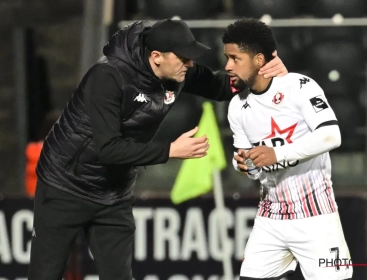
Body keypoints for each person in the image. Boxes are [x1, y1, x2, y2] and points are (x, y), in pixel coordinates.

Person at [28, 19, 287, 280]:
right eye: (183, 58)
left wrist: (258, 72)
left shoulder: (178, 72)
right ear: (156, 57)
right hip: (64, 185)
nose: (189, 64)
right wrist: (170, 150)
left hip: (112, 193)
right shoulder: (108, 77)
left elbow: (221, 87)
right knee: (45, 275)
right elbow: (108, 149)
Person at [225, 19, 352, 280]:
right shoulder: (237, 107)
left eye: (235, 58)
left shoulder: (299, 87)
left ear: (259, 60)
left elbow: (331, 135)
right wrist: (247, 166)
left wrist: (278, 154)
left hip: (315, 215)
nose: (228, 66)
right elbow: (254, 171)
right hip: (270, 216)